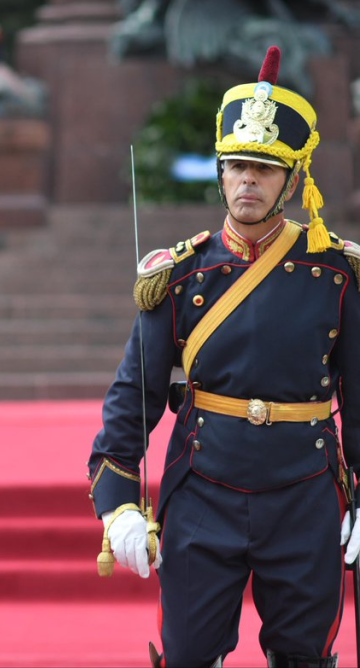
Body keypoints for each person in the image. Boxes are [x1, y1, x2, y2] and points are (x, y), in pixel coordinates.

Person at [88, 46, 360, 667]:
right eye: (236, 166)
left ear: (293, 180)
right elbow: (133, 398)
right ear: (220, 173)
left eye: (264, 168)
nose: (247, 181)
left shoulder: (337, 273)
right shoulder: (179, 276)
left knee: (305, 657)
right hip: (203, 490)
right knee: (188, 656)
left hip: (305, 490)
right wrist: (119, 502)